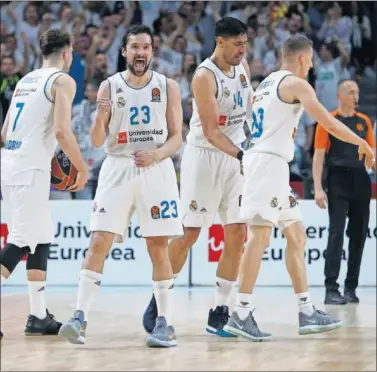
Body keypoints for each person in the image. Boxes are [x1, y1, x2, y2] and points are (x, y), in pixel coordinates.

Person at [222, 35, 375, 341]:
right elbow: (327, 124)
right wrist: (361, 141)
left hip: (269, 164)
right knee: (259, 238)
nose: (313, 67)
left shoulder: (264, 85)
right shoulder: (296, 84)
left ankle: (306, 311)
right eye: (312, 61)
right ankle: (240, 312)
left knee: (297, 234)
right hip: (267, 164)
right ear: (303, 59)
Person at [58, 25, 183, 348]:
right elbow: (98, 141)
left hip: (156, 168)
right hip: (117, 166)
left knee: (157, 245)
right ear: (124, 52)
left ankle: (165, 323)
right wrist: (102, 118)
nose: (141, 52)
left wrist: (156, 154)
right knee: (99, 240)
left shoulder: (167, 86)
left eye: (146, 47)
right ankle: (79, 317)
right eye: (135, 47)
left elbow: (176, 139)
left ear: (152, 52)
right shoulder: (109, 87)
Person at [143, 17, 252, 337]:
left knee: (237, 233)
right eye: (237, 44)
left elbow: (249, 109)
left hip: (235, 158)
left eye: (245, 43)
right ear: (220, 42)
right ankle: (158, 297)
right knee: (189, 233)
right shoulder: (204, 76)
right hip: (205, 157)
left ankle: (220, 308)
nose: (242, 50)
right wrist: (245, 155)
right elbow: (213, 132)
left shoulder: (242, 68)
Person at [0, 29, 88, 339]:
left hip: (9, 163)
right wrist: (81, 168)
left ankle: (38, 316)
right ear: (68, 53)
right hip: (29, 168)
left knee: (41, 237)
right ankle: (36, 315)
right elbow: (64, 132)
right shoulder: (63, 80)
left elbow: (4, 131)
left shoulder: (25, 81)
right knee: (23, 238)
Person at [313, 79, 376, 305]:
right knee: (336, 234)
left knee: (358, 236)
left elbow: (372, 154)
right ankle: (331, 289)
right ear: (340, 96)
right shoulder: (328, 121)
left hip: (361, 180)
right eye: (351, 92)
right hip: (338, 179)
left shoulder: (364, 122)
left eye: (357, 91)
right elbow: (318, 156)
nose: (356, 95)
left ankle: (351, 287)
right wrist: (318, 187)